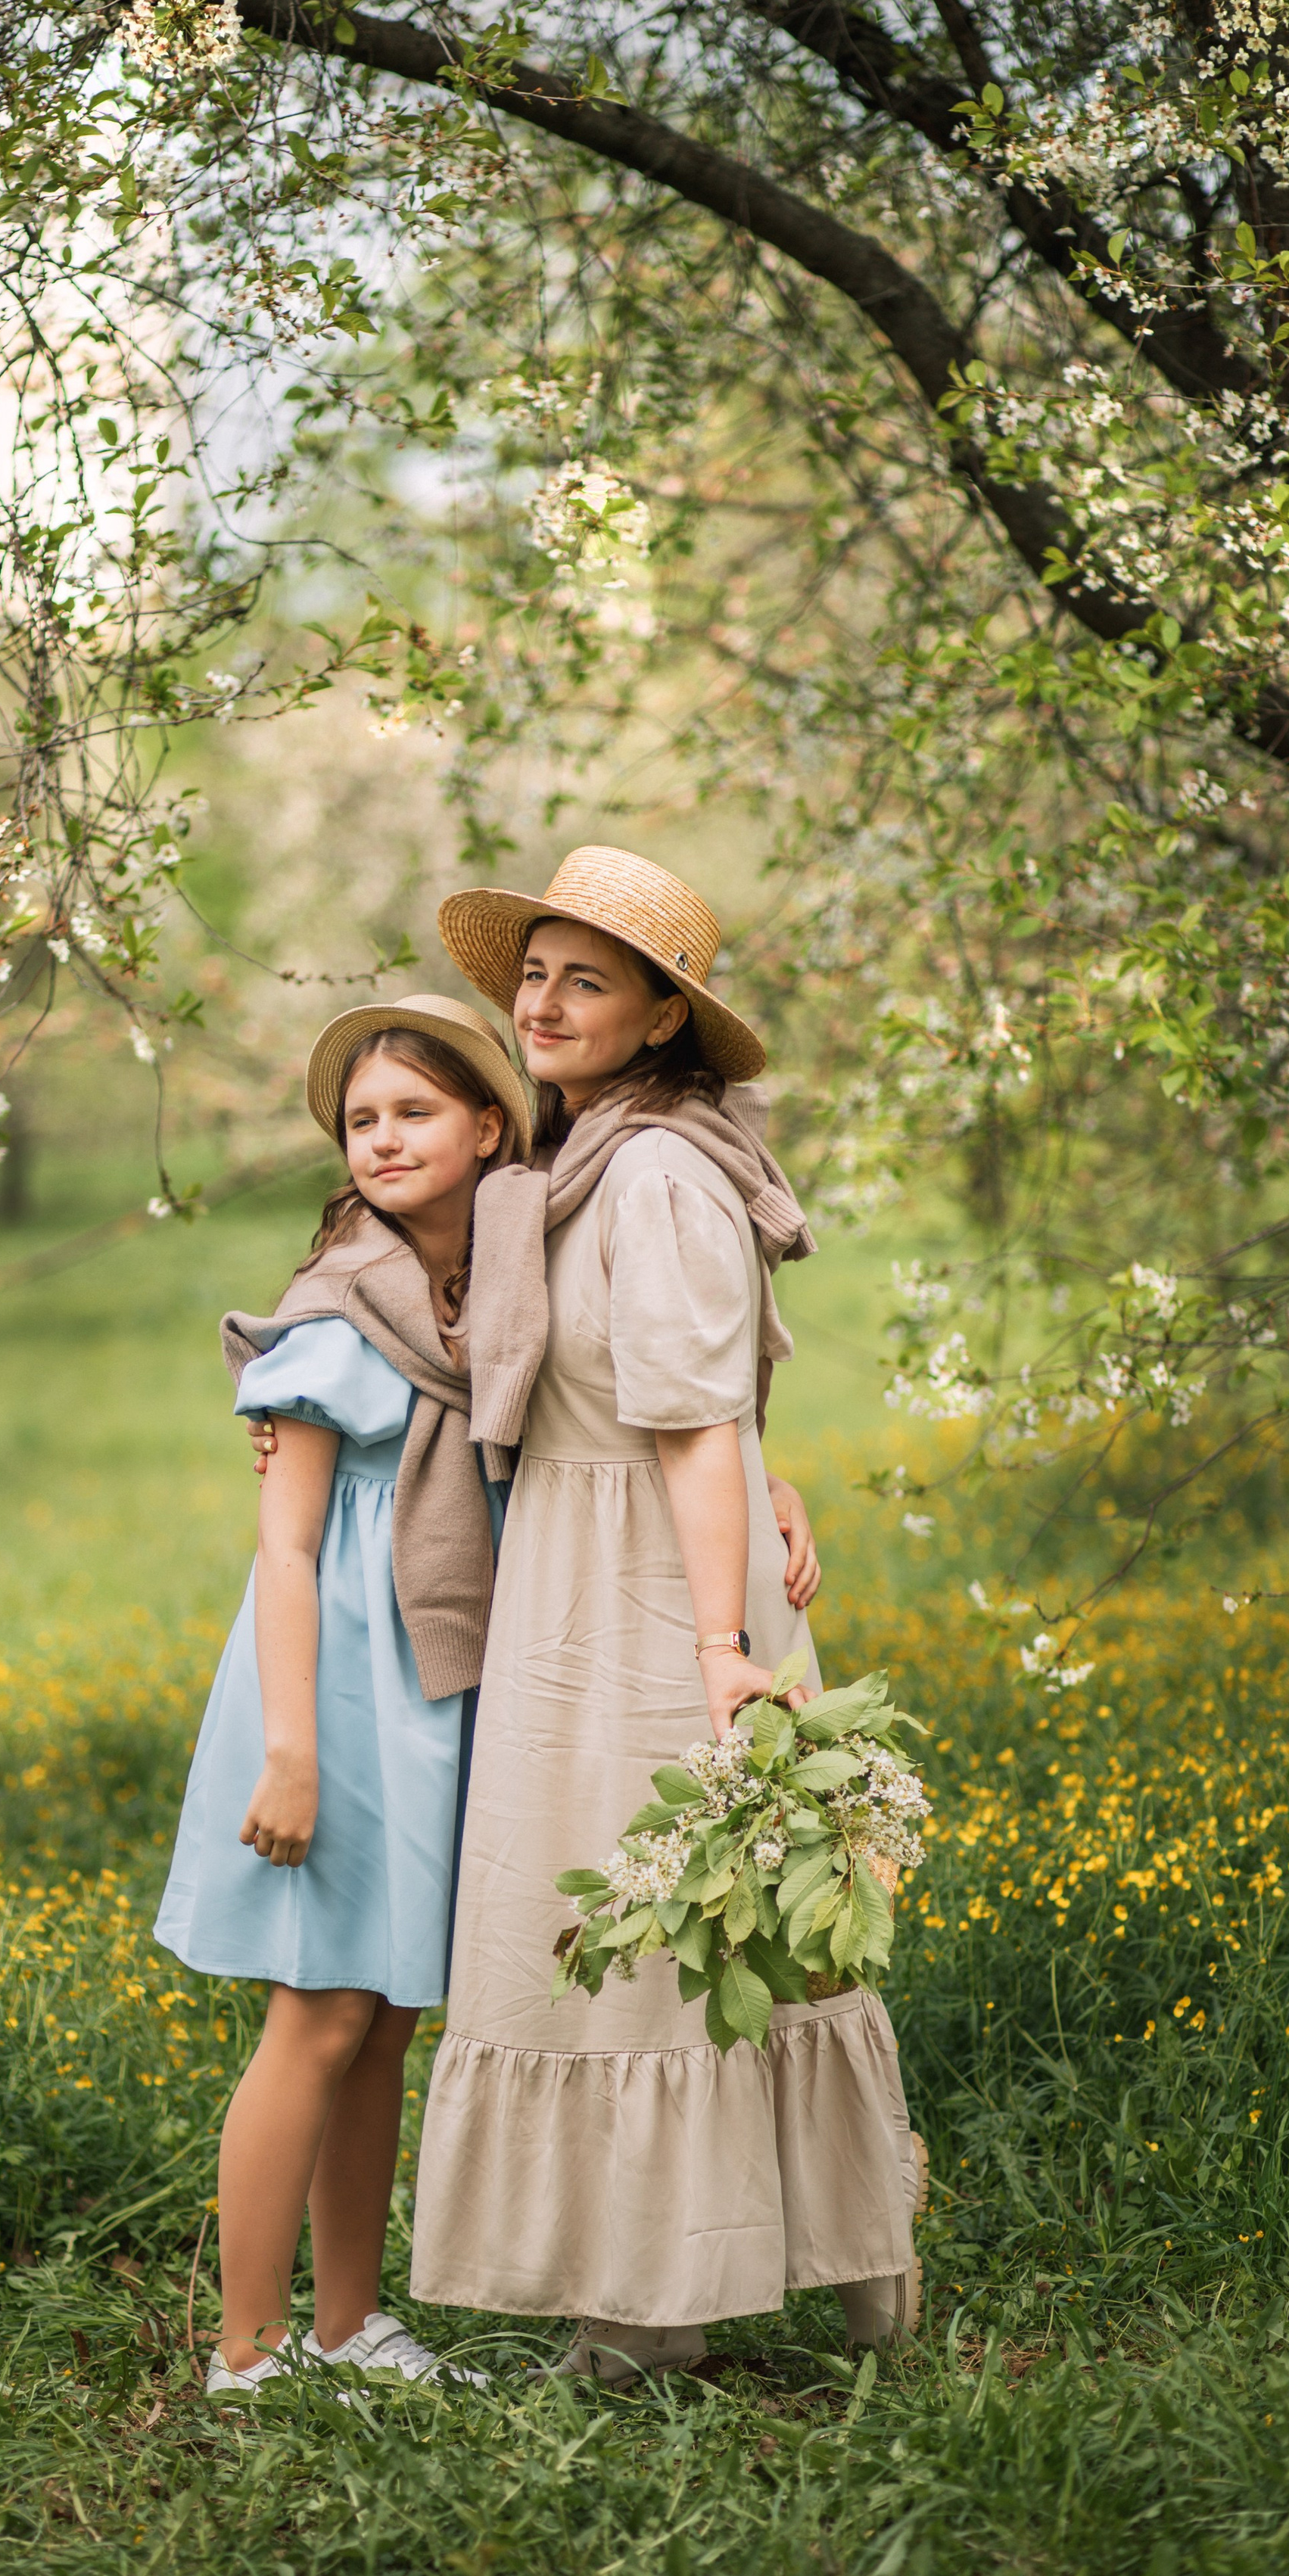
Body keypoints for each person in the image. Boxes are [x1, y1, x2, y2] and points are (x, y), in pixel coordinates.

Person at [409, 845, 926, 2382]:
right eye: (535, 974)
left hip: (652, 1590)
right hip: (590, 1567)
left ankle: (796, 2287)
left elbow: (699, 1421)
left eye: (587, 980)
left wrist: (721, 1646)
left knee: (687, 1920)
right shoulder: (577, 1161)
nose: (543, 1002)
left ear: (659, 1018)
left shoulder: (650, 1171)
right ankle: (654, 2294)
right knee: (634, 1923)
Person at [154, 995, 531, 2397]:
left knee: (386, 2018)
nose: (382, 1138)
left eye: (414, 1111)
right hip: (332, 1693)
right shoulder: (334, 1319)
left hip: (430, 1686)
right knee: (317, 2014)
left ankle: (348, 2325)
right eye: (361, 1120)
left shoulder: (499, 1298)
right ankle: (247, 2346)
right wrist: (292, 1751)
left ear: (488, 1126)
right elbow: (287, 1550)